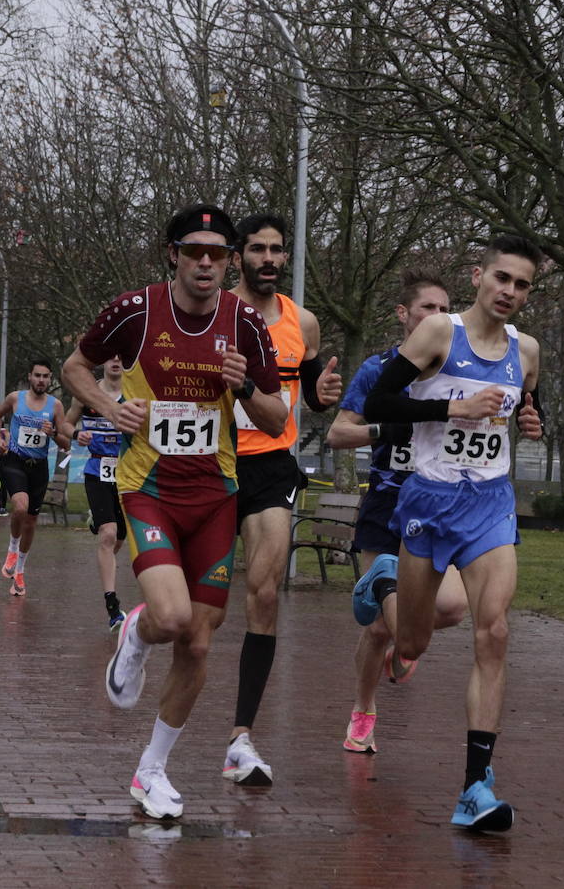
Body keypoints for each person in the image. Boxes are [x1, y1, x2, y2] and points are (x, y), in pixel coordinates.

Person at [63, 204, 286, 820]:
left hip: (216, 496)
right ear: (173, 255)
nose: (207, 263)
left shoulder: (244, 323)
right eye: (195, 252)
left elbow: (278, 419)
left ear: (231, 260)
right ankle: (134, 633)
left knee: (198, 642)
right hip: (149, 488)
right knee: (169, 616)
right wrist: (109, 410)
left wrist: (243, 387)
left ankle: (151, 771)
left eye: (219, 253)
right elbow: (74, 368)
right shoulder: (134, 313)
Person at [362, 234, 545, 832]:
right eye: (502, 278)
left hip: (491, 503)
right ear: (478, 276)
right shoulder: (441, 333)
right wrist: (452, 410)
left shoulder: (529, 351)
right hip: (429, 500)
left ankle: (475, 789)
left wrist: (532, 417)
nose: (509, 292)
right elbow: (382, 402)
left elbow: (526, 402)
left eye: (521, 284)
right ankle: (384, 584)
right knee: (411, 647)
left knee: (493, 630)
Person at [221, 213, 343, 787]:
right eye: (258, 250)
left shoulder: (304, 322)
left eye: (277, 250)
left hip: (272, 463)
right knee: (199, 610)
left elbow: (311, 397)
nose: (269, 259)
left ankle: (242, 736)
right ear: (238, 256)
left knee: (264, 590)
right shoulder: (215, 314)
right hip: (212, 461)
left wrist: (320, 393)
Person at [325, 269, 470, 754]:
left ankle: (408, 641)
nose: (438, 317)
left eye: (445, 309)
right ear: (404, 315)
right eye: (428, 308)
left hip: (439, 503)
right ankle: (364, 708)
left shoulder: (461, 372)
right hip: (386, 503)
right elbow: (338, 434)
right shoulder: (377, 369)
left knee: (444, 610)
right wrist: (386, 431)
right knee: (379, 626)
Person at [0, 360, 71, 596]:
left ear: (50, 379)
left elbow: (66, 443)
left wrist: (54, 433)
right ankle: (12, 547)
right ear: (30, 376)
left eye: (46, 376)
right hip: (15, 462)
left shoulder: (56, 406)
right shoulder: (15, 398)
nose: (41, 380)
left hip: (39, 467)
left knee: (32, 522)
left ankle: (21, 570)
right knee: (20, 507)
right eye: (37, 375)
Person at [65, 355, 129, 631]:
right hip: (96, 471)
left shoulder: (137, 391)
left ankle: (100, 527)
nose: (115, 360)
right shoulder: (87, 393)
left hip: (129, 474)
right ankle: (112, 606)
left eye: (121, 356)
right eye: (110, 356)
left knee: (121, 536)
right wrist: (76, 433)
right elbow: (65, 425)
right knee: (108, 534)